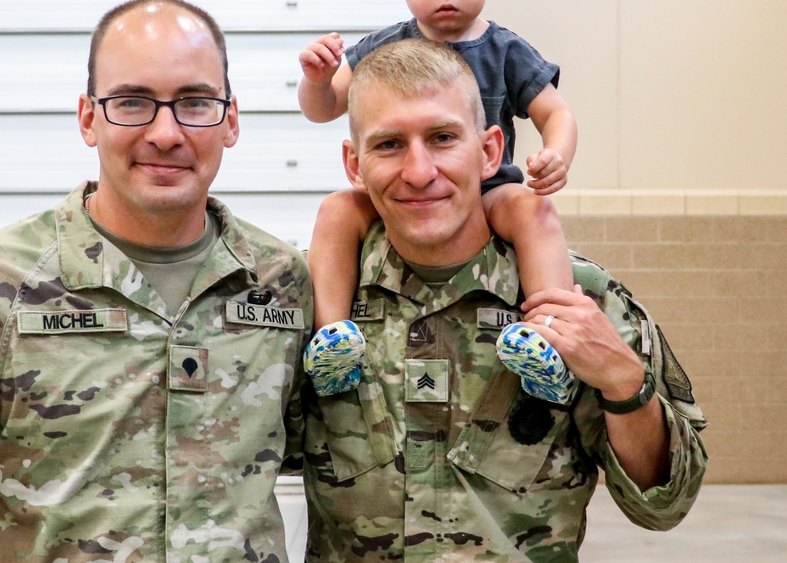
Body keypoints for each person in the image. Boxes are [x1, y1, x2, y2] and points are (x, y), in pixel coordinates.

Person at [0, 0, 313, 562]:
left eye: (194, 102)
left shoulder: (285, 283)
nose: (166, 133)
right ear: (89, 118)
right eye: (132, 102)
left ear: (231, 120)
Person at [302, 38, 708, 562]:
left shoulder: (580, 296)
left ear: (490, 151)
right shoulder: (314, 298)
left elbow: (665, 504)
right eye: (388, 145)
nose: (420, 172)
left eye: (443, 138)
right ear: (354, 164)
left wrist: (622, 380)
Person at [298, 0, 577, 393]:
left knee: (532, 210)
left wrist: (555, 155)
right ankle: (332, 340)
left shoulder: (507, 51)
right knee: (337, 209)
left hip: (487, 193)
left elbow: (555, 112)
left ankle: (550, 338)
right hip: (399, 200)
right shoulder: (379, 50)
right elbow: (326, 108)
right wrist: (317, 79)